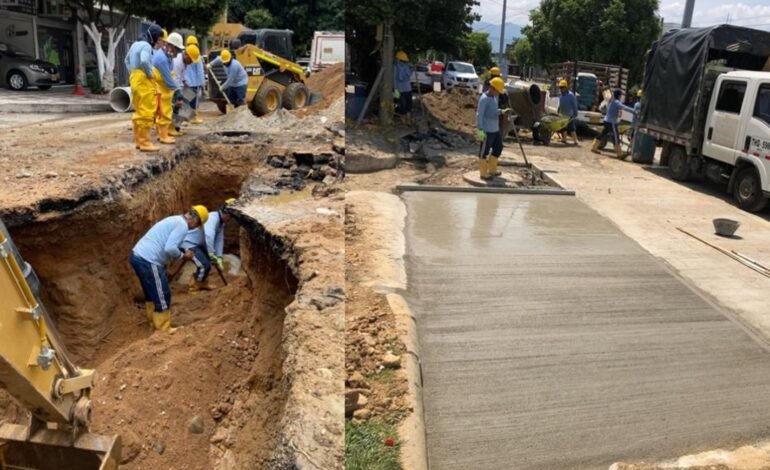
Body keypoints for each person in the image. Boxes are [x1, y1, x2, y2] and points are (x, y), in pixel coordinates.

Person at [130, 205, 209, 333]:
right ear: (195, 221)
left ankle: (152, 322)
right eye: (196, 226)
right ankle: (163, 329)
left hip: (137, 255)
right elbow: (170, 248)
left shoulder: (175, 220)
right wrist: (183, 256)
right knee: (163, 294)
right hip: (149, 260)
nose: (194, 228)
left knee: (151, 293)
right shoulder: (182, 226)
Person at [181, 198, 236, 292]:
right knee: (204, 264)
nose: (230, 220)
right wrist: (211, 253)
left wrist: (219, 257)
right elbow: (208, 236)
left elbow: (219, 240)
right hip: (188, 243)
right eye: (231, 217)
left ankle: (203, 281)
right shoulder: (212, 218)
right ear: (227, 214)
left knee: (208, 263)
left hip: (197, 244)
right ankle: (194, 285)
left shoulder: (221, 223)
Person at [124, 24, 164, 152]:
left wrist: (133, 74)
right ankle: (145, 143)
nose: (158, 42)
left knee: (139, 110)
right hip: (143, 79)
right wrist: (149, 74)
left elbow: (126, 60)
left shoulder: (135, 44)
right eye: (158, 39)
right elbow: (144, 61)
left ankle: (139, 141)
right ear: (154, 37)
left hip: (134, 78)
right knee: (146, 110)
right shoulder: (146, 46)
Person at [152, 31, 184, 144]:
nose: (178, 53)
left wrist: (176, 88)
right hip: (160, 89)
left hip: (164, 89)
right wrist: (177, 91)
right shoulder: (161, 59)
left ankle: (162, 134)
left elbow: (172, 75)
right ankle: (163, 136)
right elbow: (168, 78)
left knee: (165, 111)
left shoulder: (167, 56)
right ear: (171, 46)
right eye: (177, 49)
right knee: (163, 113)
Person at [476, 77, 511, 180]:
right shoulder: (484, 99)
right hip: (486, 130)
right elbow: (479, 115)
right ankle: (483, 173)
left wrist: (502, 111)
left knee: (498, 148)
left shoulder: (494, 98)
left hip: (495, 130)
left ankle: (492, 169)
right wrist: (480, 130)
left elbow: (494, 111)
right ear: (492, 88)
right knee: (484, 152)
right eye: (497, 91)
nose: (497, 93)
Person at [592, 88, 635, 158]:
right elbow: (625, 107)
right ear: (619, 95)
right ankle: (619, 154)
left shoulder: (611, 100)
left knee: (602, 134)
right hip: (611, 122)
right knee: (615, 137)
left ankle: (594, 147)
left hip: (606, 120)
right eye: (621, 95)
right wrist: (634, 111)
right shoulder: (616, 102)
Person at [170, 44, 201, 136]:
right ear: (186, 55)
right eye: (191, 60)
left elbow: (181, 75)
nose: (191, 62)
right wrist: (178, 93)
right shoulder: (177, 63)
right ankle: (174, 128)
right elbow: (174, 79)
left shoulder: (184, 62)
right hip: (172, 86)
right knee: (178, 105)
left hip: (177, 85)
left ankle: (177, 126)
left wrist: (184, 81)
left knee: (187, 100)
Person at [184, 35, 205, 124]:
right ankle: (193, 118)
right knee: (194, 102)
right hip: (195, 82)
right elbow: (200, 71)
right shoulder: (197, 55)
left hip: (186, 82)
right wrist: (202, 84)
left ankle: (185, 119)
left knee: (186, 101)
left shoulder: (185, 54)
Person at [557, 79, 580, 146]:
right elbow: (560, 104)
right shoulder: (561, 95)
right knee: (564, 127)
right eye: (560, 87)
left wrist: (575, 113)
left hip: (570, 115)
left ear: (566, 87)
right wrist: (558, 110)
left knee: (572, 128)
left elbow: (574, 105)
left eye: (562, 87)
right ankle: (564, 139)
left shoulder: (571, 95)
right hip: (563, 114)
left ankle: (575, 141)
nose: (561, 89)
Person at [393, 50, 412, 123]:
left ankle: (408, 119)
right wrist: (395, 90)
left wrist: (411, 68)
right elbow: (394, 79)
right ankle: (403, 120)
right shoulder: (395, 67)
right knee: (402, 105)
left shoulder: (406, 66)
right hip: (399, 89)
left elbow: (409, 75)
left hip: (408, 88)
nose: (402, 62)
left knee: (409, 104)